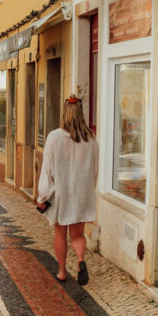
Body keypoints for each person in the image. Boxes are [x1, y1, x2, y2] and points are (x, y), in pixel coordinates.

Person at [37, 95, 99, 285]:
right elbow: (94, 170)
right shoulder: (90, 139)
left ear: (64, 114)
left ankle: (62, 271)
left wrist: (43, 194)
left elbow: (47, 169)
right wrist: (89, 189)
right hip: (81, 193)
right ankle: (81, 260)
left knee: (60, 233)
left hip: (60, 195)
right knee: (78, 235)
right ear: (81, 114)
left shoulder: (55, 137)